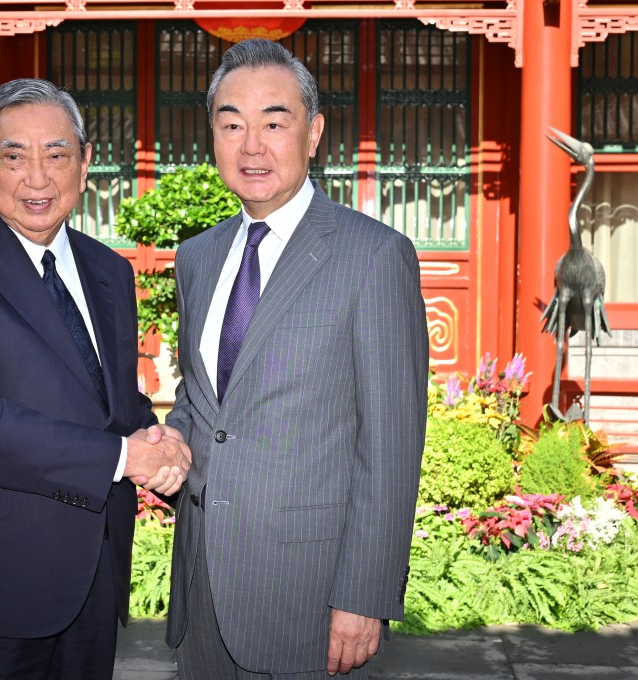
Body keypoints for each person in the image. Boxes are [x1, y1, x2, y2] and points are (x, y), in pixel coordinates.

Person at [0, 78, 191, 680]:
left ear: (84, 165)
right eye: (14, 156)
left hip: (91, 579)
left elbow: (111, 397)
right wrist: (124, 457)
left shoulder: (107, 270)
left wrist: (162, 444)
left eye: (57, 154)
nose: (38, 177)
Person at [164, 39, 429, 679]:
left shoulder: (371, 256)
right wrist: (167, 442)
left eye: (274, 123)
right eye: (231, 125)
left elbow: (391, 442)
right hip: (203, 589)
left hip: (306, 597)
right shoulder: (197, 257)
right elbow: (203, 400)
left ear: (312, 133)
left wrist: (364, 597)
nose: (251, 145)